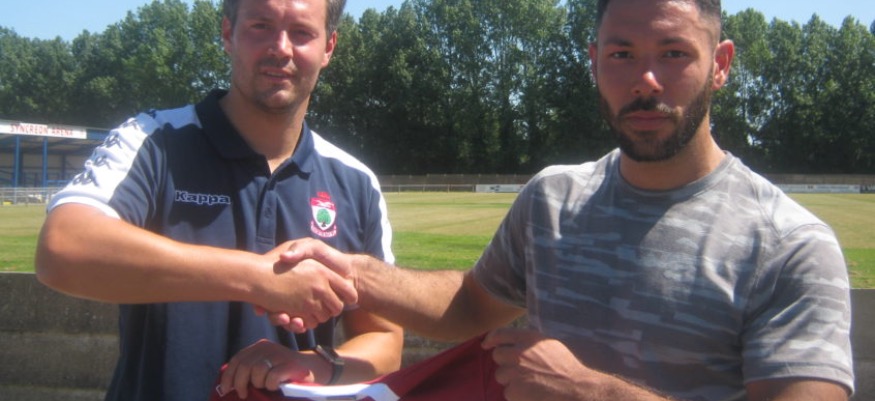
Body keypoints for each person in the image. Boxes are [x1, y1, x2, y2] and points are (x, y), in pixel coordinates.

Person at [237, 0, 856, 400]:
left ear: (720, 64)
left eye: (674, 54)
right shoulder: (554, 199)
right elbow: (468, 305)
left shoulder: (789, 246)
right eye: (622, 54)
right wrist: (354, 272)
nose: (645, 81)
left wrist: (591, 392)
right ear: (593, 62)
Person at [34, 0, 402, 400]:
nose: (280, 48)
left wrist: (318, 364)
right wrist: (259, 279)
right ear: (228, 33)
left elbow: (385, 339)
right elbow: (62, 248)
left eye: (301, 33)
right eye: (261, 26)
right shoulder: (153, 139)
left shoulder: (355, 182)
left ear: (328, 47)